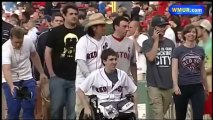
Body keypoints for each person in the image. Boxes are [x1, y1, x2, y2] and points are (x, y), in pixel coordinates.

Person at [44, 4, 85, 119]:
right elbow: (47, 52)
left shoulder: (83, 32)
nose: (74, 16)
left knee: (73, 110)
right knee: (56, 109)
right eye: (71, 14)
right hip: (58, 77)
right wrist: (51, 73)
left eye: (76, 14)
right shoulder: (55, 32)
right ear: (64, 15)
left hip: (76, 78)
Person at [77, 48, 137, 119]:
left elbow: (134, 91)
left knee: (130, 111)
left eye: (115, 59)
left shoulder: (122, 74)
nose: (114, 62)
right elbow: (80, 90)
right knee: (112, 113)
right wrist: (86, 107)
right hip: (103, 103)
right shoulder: (96, 74)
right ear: (104, 61)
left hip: (120, 101)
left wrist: (136, 108)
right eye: (111, 59)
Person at [2, 26, 47, 119]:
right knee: (14, 109)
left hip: (27, 78)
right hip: (11, 79)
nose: (18, 44)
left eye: (20, 42)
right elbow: (6, 69)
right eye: (16, 42)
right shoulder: (5, 49)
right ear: (11, 39)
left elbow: (34, 55)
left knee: (30, 106)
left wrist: (41, 72)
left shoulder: (28, 41)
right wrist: (11, 86)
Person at [75, 13, 111, 118]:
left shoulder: (107, 41)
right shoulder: (83, 41)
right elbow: (81, 63)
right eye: (102, 25)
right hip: (84, 84)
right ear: (94, 28)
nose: (104, 27)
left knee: (103, 114)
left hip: (102, 85)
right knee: (84, 114)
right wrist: (92, 79)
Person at [172, 24, 209, 119]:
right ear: (184, 34)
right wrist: (175, 85)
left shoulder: (200, 50)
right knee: (180, 116)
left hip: (197, 86)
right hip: (182, 86)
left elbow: (202, 70)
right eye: (189, 32)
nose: (191, 34)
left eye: (193, 32)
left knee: (198, 116)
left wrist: (206, 88)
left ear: (196, 35)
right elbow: (174, 69)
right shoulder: (178, 50)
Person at [141, 15, 175, 119]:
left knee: (162, 114)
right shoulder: (147, 43)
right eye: (160, 26)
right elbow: (151, 58)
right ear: (154, 28)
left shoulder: (170, 43)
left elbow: (174, 64)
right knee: (158, 114)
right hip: (154, 84)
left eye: (165, 26)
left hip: (168, 84)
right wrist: (156, 41)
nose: (163, 28)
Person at [33, 12, 64, 119]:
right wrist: (37, 77)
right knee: (48, 106)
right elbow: (37, 58)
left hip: (64, 77)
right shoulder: (43, 36)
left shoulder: (68, 36)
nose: (59, 23)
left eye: (61, 21)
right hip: (48, 77)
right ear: (51, 23)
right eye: (57, 21)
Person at [107, 16, 137, 85]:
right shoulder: (106, 41)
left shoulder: (130, 42)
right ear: (116, 27)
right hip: (109, 80)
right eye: (124, 26)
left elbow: (133, 64)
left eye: (128, 27)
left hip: (126, 80)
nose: (127, 29)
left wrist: (135, 81)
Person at [196, 19, 212, 117]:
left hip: (210, 86)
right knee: (202, 113)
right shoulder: (199, 44)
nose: (196, 31)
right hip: (200, 85)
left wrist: (202, 72)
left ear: (204, 30)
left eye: (198, 28)